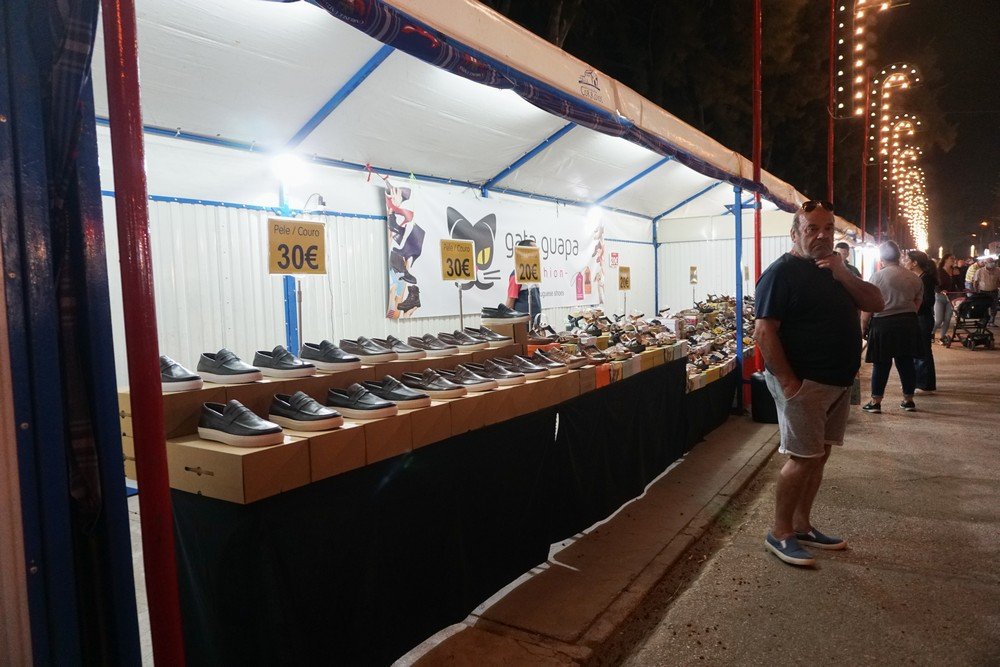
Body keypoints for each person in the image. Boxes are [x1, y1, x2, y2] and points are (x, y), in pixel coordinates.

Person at [754, 200, 884, 567]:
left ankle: (801, 525)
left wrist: (842, 273)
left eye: (828, 228)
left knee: (820, 455)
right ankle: (779, 532)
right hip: (805, 384)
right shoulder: (781, 273)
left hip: (837, 382)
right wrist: (789, 384)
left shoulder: (838, 269)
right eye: (812, 229)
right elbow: (764, 332)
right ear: (795, 234)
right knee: (802, 459)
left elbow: (876, 301)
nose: (822, 235)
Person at [861, 241, 923, 413]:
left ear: (881, 258)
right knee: (906, 362)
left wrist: (863, 326)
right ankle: (908, 400)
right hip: (908, 323)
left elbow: (868, 306)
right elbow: (917, 303)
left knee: (881, 364)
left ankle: (876, 402)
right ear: (899, 256)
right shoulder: (914, 278)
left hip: (883, 324)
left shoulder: (876, 277)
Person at [903, 250, 938, 391]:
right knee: (919, 350)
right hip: (919, 317)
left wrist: (912, 304)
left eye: (907, 260)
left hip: (923, 318)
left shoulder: (925, 279)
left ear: (915, 263)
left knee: (923, 350)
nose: (905, 262)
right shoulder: (919, 277)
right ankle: (921, 382)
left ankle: (926, 383)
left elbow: (928, 301)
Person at [506, 239, 541, 315]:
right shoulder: (516, 275)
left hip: (535, 318)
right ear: (525, 252)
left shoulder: (534, 273)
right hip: (522, 319)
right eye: (534, 250)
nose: (537, 254)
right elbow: (510, 303)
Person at [934, 254, 956, 344]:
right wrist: (940, 290)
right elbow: (934, 284)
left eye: (954, 258)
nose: (953, 260)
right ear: (945, 259)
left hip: (951, 297)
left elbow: (959, 283)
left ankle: (942, 337)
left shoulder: (955, 270)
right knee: (939, 320)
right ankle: (931, 333)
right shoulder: (939, 271)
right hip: (940, 297)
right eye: (951, 258)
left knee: (947, 319)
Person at [972, 257, 999, 324]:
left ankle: (992, 321)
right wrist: (976, 291)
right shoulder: (979, 271)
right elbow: (975, 282)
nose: (991, 263)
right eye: (989, 262)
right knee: (983, 306)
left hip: (994, 291)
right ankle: (984, 320)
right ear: (985, 263)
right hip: (983, 292)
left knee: (994, 306)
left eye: (992, 262)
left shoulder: (998, 270)